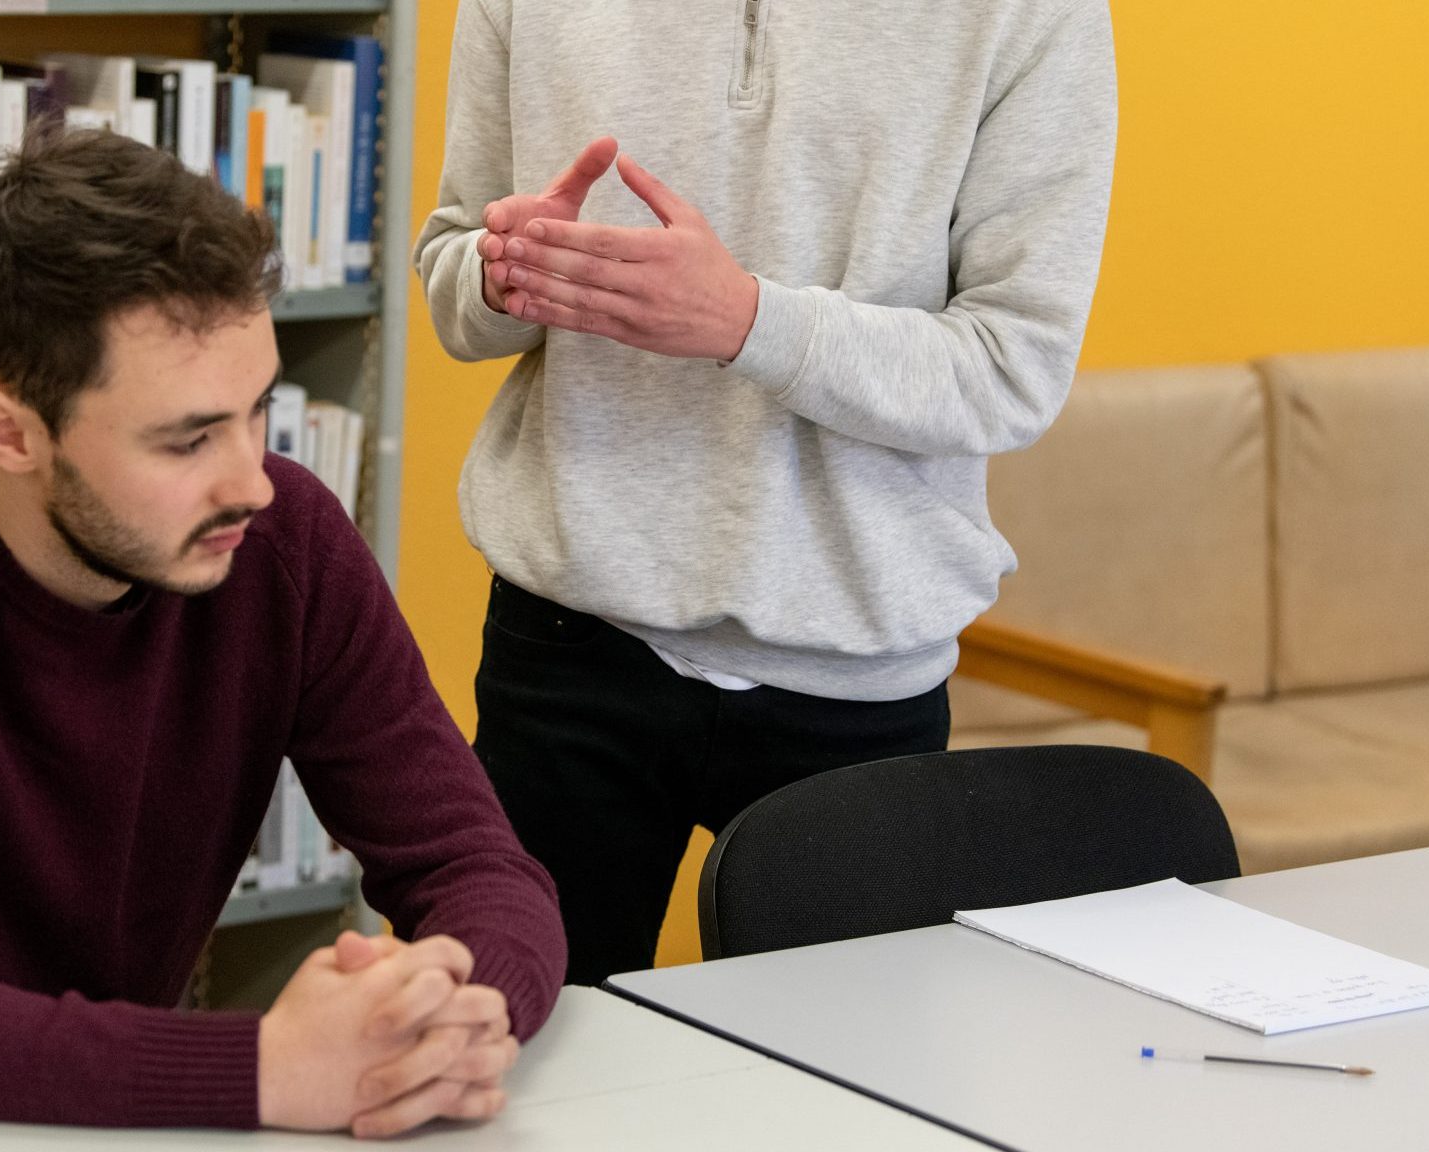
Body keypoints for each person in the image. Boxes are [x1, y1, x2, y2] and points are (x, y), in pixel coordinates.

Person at [0, 127, 564, 1139]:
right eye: (187, 437)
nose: (250, 479)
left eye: (256, 413)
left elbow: (476, 867)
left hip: (75, 1115)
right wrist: (259, 1070)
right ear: (10, 432)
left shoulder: (280, 543)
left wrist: (446, 1020)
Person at [415, 0, 1118, 984]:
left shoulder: (1031, 14)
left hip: (858, 668)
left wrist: (747, 321)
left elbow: (1012, 367)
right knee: (517, 1083)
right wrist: (503, 275)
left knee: (853, 1106)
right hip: (567, 652)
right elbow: (452, 275)